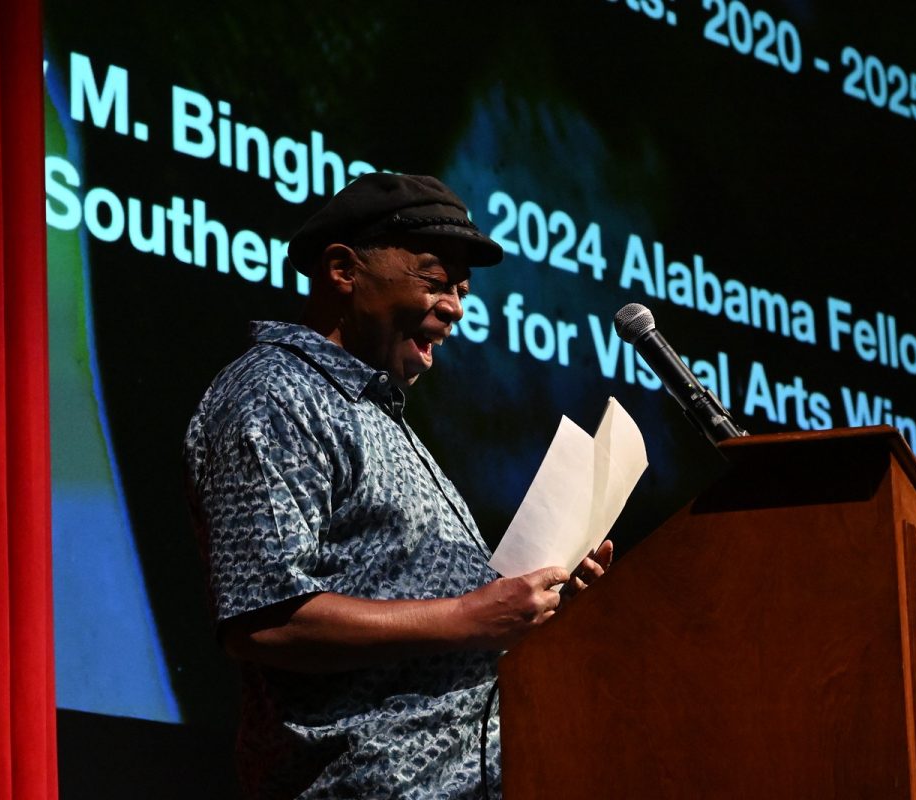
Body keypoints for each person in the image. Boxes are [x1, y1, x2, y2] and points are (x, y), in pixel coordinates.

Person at [184, 173, 612, 799]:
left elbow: (441, 620)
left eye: (462, 290)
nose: (457, 307)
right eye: (435, 281)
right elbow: (265, 622)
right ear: (343, 270)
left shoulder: (378, 414)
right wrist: (474, 614)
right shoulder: (276, 394)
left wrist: (537, 599)